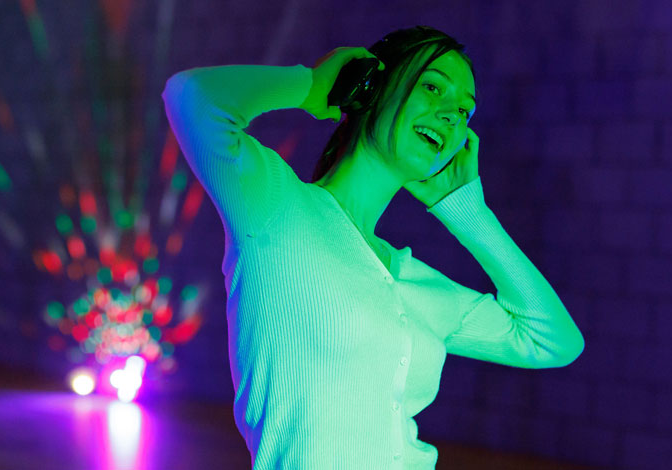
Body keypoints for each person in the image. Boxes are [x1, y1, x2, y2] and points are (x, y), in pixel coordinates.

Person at [162, 25, 584, 470]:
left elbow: (553, 341)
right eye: (433, 86)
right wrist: (313, 86)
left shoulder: (415, 283)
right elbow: (191, 96)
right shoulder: (276, 209)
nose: (450, 115)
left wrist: (467, 212)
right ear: (374, 84)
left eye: (464, 111)